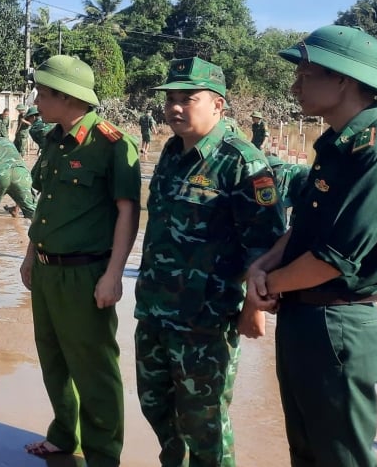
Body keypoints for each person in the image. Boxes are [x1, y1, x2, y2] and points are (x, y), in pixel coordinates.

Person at [246, 26, 377, 467]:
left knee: (341, 457)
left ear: (343, 79)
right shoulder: (336, 146)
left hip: (337, 322)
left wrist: (271, 284)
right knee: (306, 451)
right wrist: (262, 267)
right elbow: (304, 230)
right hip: (306, 317)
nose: (294, 85)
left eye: (306, 73)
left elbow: (332, 259)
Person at [135, 56, 285, 467]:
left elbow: (266, 246)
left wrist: (254, 308)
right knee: (157, 410)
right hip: (154, 310)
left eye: (188, 98)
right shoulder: (170, 151)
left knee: (204, 424)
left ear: (218, 105)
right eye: (170, 99)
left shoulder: (242, 162)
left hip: (205, 319)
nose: (175, 107)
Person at [18, 55, 141, 466]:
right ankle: (63, 434)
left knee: (94, 369)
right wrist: (30, 254)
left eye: (42, 91)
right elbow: (45, 205)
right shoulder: (54, 139)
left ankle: (103, 455)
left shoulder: (110, 144)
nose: (37, 98)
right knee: (52, 357)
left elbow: (127, 211)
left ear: (66, 96)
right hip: (48, 270)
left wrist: (113, 275)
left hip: (86, 273)